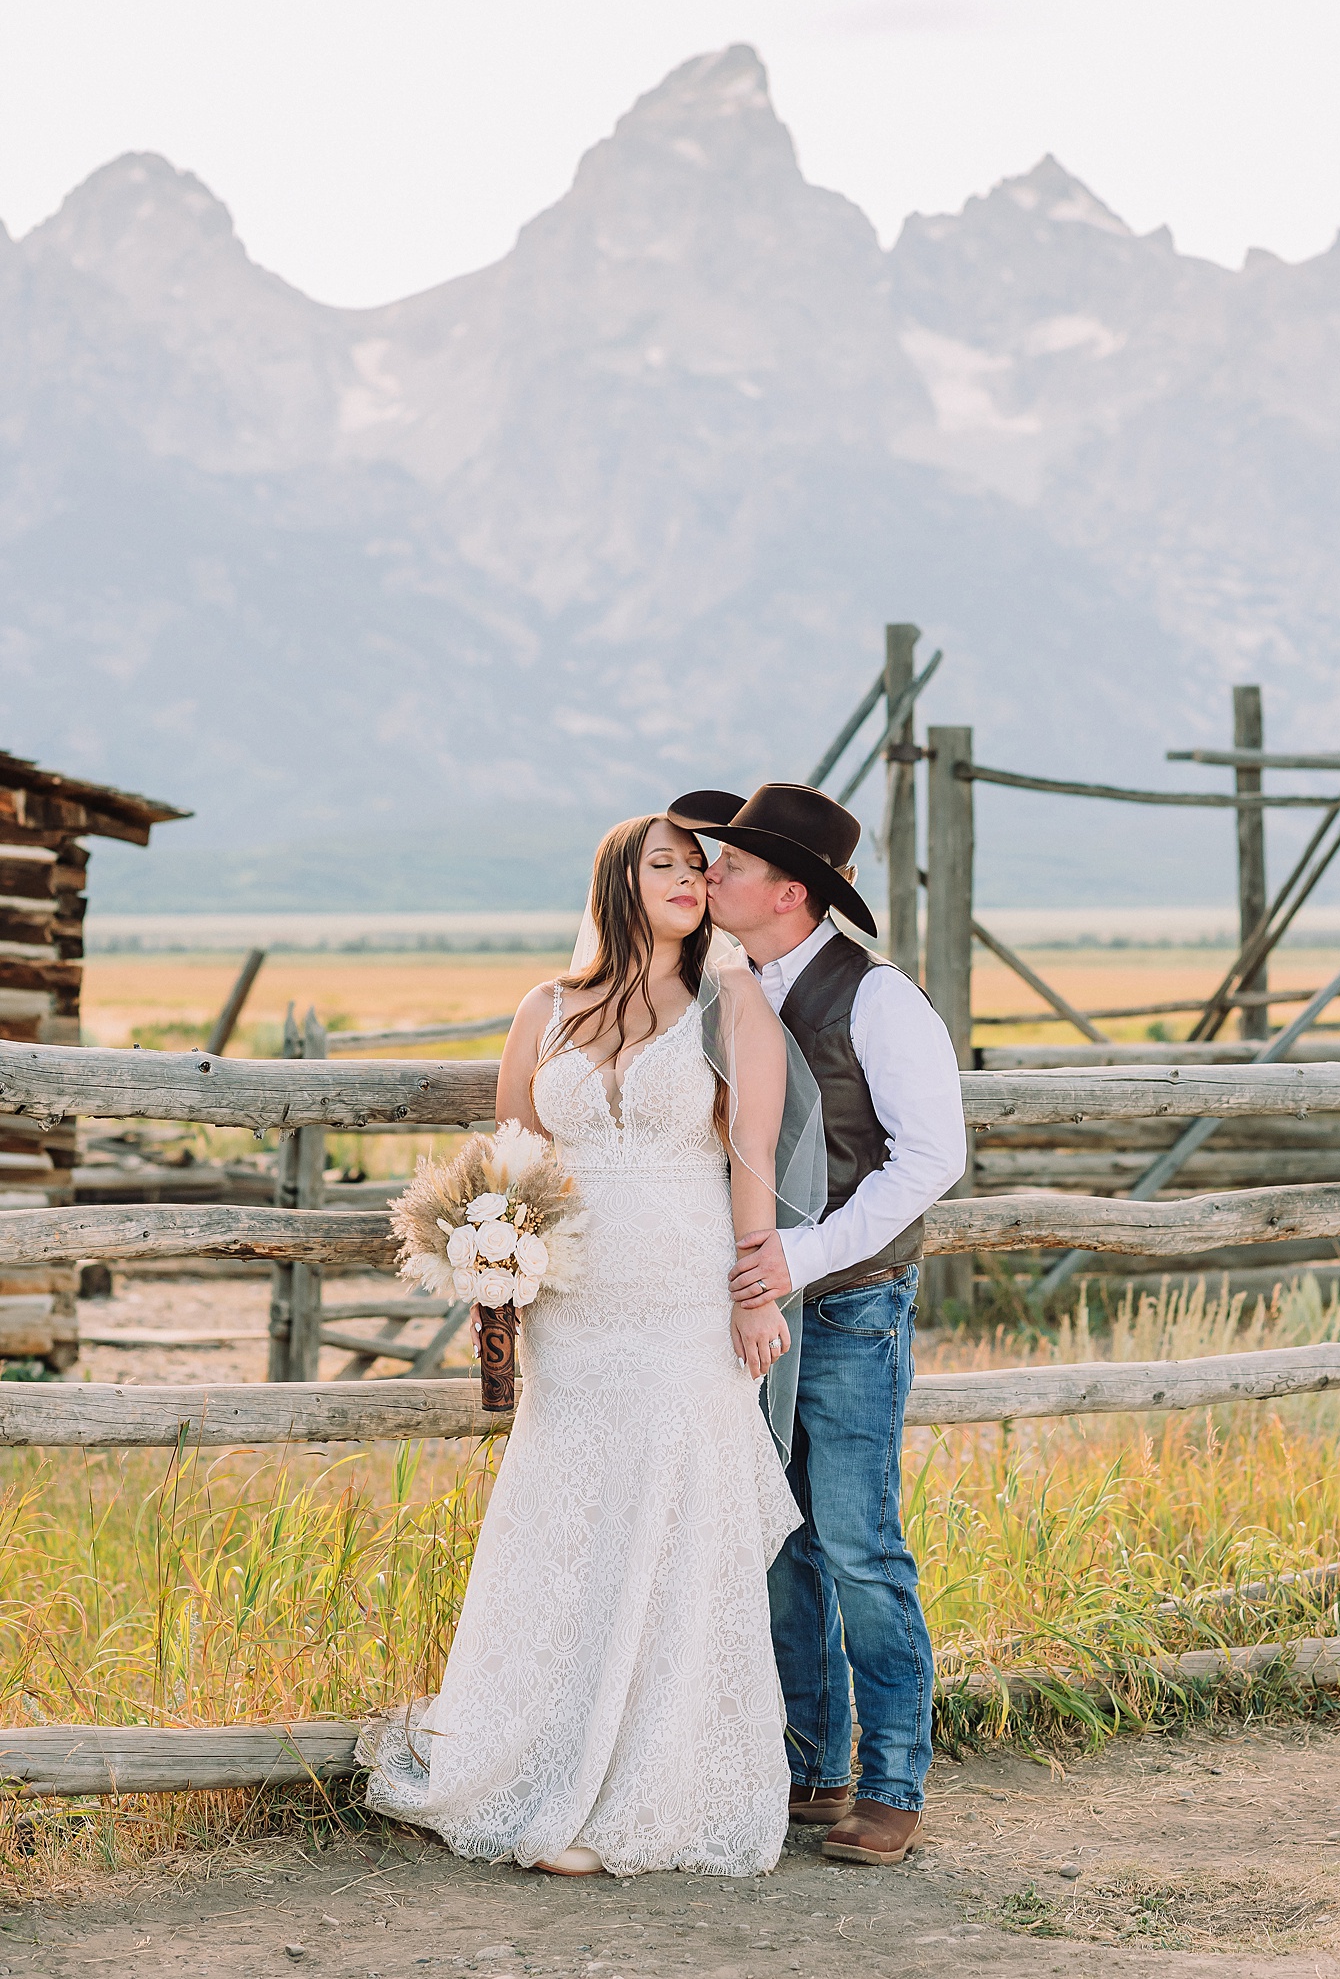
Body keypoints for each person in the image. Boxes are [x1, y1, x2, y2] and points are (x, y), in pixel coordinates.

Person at [361, 815, 803, 1878]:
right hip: (576, 1306)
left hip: (683, 1296)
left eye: (701, 869)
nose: (691, 882)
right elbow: (516, 1156)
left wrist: (751, 1291)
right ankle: (541, 1764)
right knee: (570, 1517)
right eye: (667, 866)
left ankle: (640, 1796)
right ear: (618, 879)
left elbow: (752, 1157)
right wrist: (493, 1262)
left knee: (673, 1518)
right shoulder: (544, 1009)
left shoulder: (729, 999)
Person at [666, 782, 968, 1869]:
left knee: (857, 1544)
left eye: (732, 867)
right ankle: (812, 1766)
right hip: (752, 1308)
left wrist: (804, 1253)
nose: (712, 879)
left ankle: (891, 1785)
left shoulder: (879, 1000)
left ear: (788, 892)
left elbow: (932, 1158)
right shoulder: (725, 984)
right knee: (775, 1538)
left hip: (845, 1304)